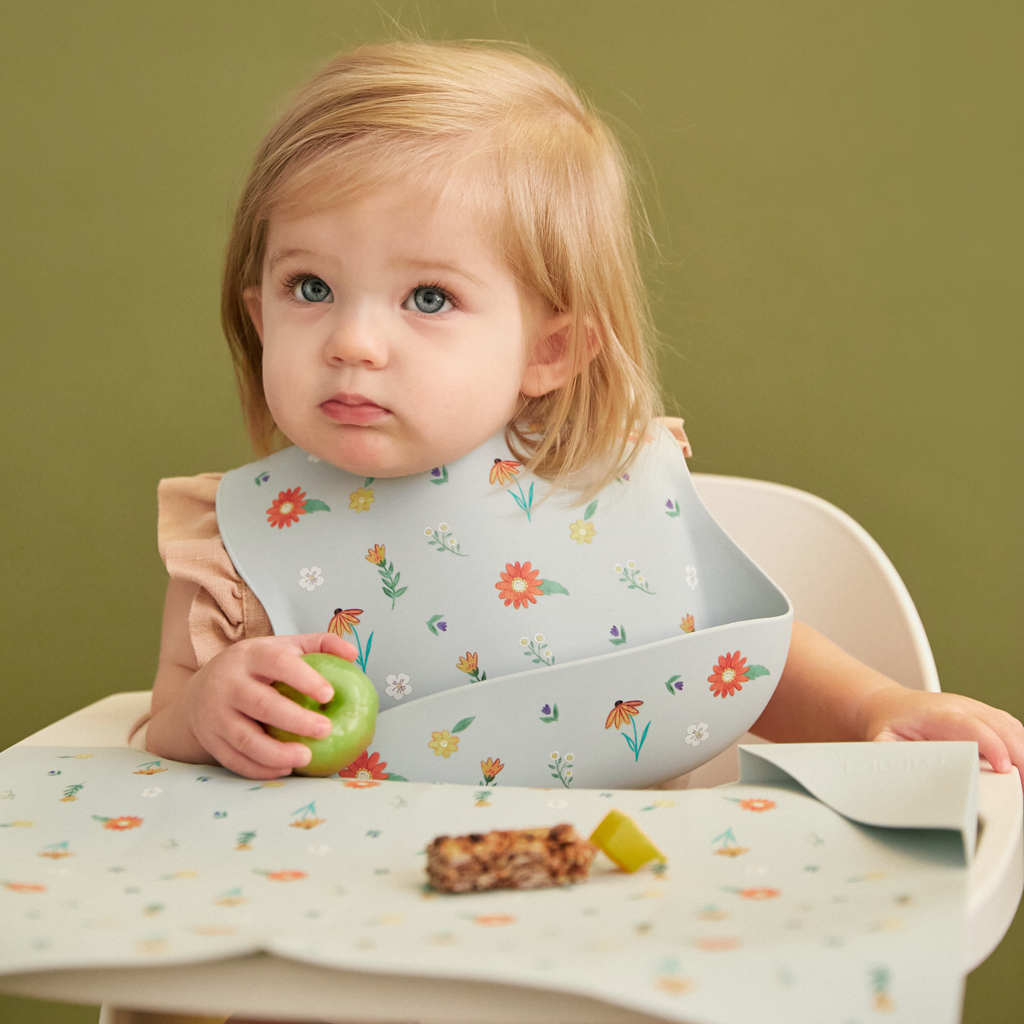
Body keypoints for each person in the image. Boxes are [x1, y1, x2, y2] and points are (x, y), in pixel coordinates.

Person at [145, 40, 1023, 792]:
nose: (354, 341)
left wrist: (879, 709)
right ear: (259, 313)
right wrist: (210, 704)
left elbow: (734, 663)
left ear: (550, 351)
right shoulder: (236, 543)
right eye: (311, 287)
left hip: (612, 925)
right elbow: (167, 726)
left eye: (427, 296)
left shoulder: (611, 487)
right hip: (341, 938)